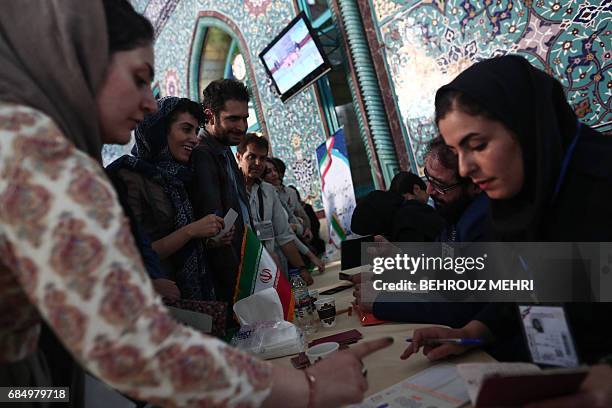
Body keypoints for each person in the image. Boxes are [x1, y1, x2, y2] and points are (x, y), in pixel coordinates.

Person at [0, 1, 392, 406]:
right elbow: (137, 346)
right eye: (138, 79)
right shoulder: (36, 155)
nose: (151, 103)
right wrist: (309, 388)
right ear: (82, 62)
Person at [400, 55, 612, 406]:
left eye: (478, 145)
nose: (466, 169)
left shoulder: (600, 187)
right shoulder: (520, 202)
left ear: (526, 127)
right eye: (456, 151)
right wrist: (469, 333)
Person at [107, 96, 225, 301]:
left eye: (196, 131)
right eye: (186, 129)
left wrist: (208, 239)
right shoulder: (129, 178)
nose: (195, 139)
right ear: (160, 131)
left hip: (193, 300)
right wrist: (191, 231)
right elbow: (130, 255)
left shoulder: (179, 179)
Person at [237, 134, 314, 284]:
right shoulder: (230, 190)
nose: (258, 163)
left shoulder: (268, 191)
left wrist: (302, 269)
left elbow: (283, 234)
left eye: (263, 158)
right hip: (245, 270)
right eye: (251, 157)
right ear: (239, 156)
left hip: (273, 265)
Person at [263, 157, 325, 273]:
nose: (275, 175)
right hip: (273, 257)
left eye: (275, 171)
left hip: (293, 249)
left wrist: (300, 227)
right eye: (268, 172)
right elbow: (284, 232)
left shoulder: (284, 194)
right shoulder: (265, 197)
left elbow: (294, 222)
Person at [351, 171, 445, 242]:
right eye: (426, 195)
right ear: (416, 189)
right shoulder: (414, 213)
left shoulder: (393, 213)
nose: (427, 200)